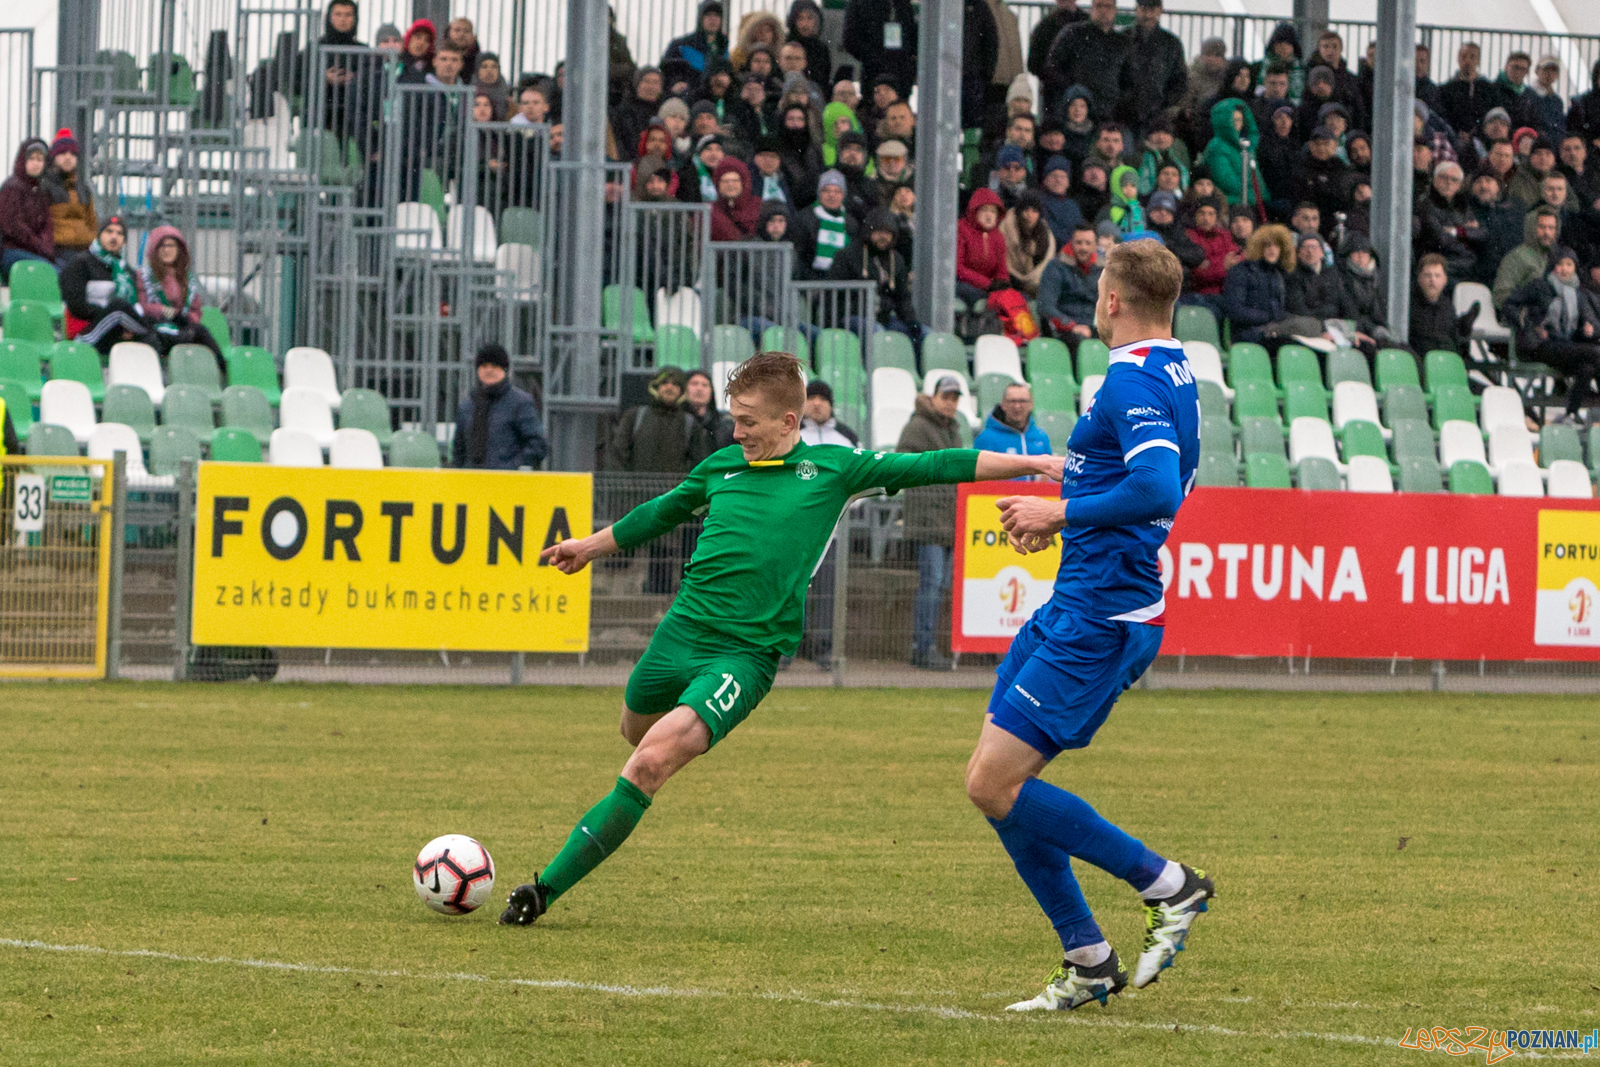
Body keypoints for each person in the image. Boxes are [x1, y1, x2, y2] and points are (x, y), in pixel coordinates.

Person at [500, 353, 1062, 926]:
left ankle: (541, 890)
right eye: (734, 419)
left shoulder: (836, 469)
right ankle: (642, 771)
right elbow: (662, 512)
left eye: (748, 421)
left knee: (649, 764)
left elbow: (939, 463)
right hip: (680, 633)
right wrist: (588, 547)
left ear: (788, 422)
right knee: (633, 733)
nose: (736, 431)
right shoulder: (721, 466)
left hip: (746, 655)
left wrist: (1035, 462)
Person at [970, 239, 1208, 1013]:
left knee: (993, 781)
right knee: (999, 782)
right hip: (1079, 597)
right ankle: (1088, 958)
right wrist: (1064, 506)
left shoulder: (1137, 374)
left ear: (1111, 299)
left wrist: (1059, 510)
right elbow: (1123, 472)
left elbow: (1157, 487)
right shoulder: (1173, 365)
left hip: (1103, 611)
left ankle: (1167, 883)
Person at [897, 375, 969, 670]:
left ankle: (926, 646)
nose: (951, 403)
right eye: (947, 397)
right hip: (929, 519)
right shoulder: (918, 427)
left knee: (937, 586)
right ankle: (922, 647)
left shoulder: (952, 430)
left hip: (948, 520)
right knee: (932, 585)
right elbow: (903, 464)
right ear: (934, 397)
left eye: (955, 398)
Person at [1503, 246, 1600, 423]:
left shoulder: (1578, 294)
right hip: (1540, 345)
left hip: (1565, 347)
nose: (1564, 269)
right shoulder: (1540, 286)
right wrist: (1526, 323)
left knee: (1588, 367)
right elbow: (1509, 304)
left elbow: (1586, 325)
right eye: (1560, 264)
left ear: (1575, 268)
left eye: (1569, 264)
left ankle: (1570, 414)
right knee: (1595, 354)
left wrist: (1588, 329)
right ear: (1553, 266)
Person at [59, 217, 158, 355]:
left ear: (124, 241)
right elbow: (76, 305)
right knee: (118, 307)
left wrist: (124, 327)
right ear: (99, 235)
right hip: (88, 330)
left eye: (119, 233)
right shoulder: (81, 263)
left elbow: (136, 306)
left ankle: (157, 336)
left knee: (150, 337)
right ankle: (156, 335)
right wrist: (112, 319)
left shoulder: (126, 270)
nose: (114, 237)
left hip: (120, 333)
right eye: (109, 231)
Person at [827, 208, 920, 339]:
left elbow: (902, 297)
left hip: (883, 318)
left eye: (888, 232)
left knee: (913, 334)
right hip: (852, 316)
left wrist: (911, 321)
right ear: (869, 232)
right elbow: (835, 295)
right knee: (877, 332)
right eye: (879, 231)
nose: (884, 236)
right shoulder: (848, 256)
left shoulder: (896, 260)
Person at [451, 345, 548, 469]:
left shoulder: (520, 403)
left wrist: (511, 468)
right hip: (471, 482)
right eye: (484, 366)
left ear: (504, 370)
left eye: (495, 366)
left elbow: (537, 445)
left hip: (508, 483)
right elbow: (458, 450)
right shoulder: (467, 406)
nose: (489, 370)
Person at [134, 226, 222, 360]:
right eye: (162, 246)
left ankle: (223, 372)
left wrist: (185, 317)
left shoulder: (189, 280)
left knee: (201, 332)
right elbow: (142, 305)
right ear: (154, 249)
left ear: (179, 250)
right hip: (156, 328)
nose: (167, 250)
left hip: (182, 329)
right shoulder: (144, 276)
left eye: (171, 246)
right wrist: (163, 310)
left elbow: (196, 312)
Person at [606, 367, 710, 473]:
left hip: (676, 489)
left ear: (682, 390)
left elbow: (698, 465)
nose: (669, 387)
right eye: (664, 383)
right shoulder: (634, 417)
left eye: (675, 384)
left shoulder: (690, 424)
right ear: (656, 387)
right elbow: (618, 456)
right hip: (637, 487)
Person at [1046, 0, 1126, 123]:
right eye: (1099, 6)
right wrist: (1074, 90)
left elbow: (1127, 77)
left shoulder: (1121, 42)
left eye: (1108, 6)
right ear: (1091, 9)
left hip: (1109, 112)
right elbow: (1052, 67)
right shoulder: (1072, 34)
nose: (1103, 10)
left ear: (1115, 10)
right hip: (1076, 110)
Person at [1118, 0, 1186, 133]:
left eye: (1152, 9)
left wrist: (1164, 104)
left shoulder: (1171, 43)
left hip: (1158, 116)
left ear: (1160, 10)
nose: (1148, 15)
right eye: (1144, 9)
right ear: (1136, 9)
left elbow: (1180, 80)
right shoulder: (1122, 39)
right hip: (1125, 115)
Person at [1222, 224, 1295, 343]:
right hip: (1247, 333)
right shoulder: (1241, 271)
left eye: (1277, 245)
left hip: (1274, 331)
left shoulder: (1278, 275)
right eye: (1267, 245)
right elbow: (1235, 310)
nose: (1272, 250)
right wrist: (1268, 317)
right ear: (1258, 247)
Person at [1038, 222, 1103, 344]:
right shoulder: (1056, 267)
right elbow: (1045, 306)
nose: (1083, 248)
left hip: (1093, 328)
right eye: (1079, 243)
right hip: (1063, 331)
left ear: (1095, 246)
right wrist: (1071, 326)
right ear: (1071, 243)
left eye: (1088, 243)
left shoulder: (1102, 269)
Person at [0, 138, 54, 280]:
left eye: (40, 160)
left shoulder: (40, 191)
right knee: (52, 273)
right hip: (12, 250)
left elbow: (46, 224)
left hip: (34, 251)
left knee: (67, 272)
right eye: (31, 159)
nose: (36, 163)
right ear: (23, 160)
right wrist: (38, 244)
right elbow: (12, 226)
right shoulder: (12, 187)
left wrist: (45, 245)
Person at [842, 0, 919, 101]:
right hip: (873, 74)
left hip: (901, 75)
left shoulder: (903, 4)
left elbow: (911, 36)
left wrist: (910, 62)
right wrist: (872, 58)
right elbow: (850, 39)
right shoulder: (860, 3)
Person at [1198, 100, 1265, 208]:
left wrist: (1262, 196)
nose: (1236, 123)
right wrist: (1253, 196)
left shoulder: (1246, 145)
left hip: (1249, 200)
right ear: (1224, 122)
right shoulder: (1217, 146)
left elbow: (1255, 177)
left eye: (1239, 120)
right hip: (1229, 203)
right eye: (1232, 120)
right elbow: (1227, 181)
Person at [41, 130, 96, 263]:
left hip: (84, 251)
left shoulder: (84, 190)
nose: (68, 157)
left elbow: (92, 224)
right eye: (62, 153)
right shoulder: (45, 188)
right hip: (57, 252)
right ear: (54, 157)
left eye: (72, 154)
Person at [1408, 254, 1474, 364]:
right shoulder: (1410, 306)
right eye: (1428, 275)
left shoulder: (1447, 307)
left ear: (1445, 280)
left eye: (1437, 275)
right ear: (1419, 278)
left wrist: (1465, 325)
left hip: (1446, 365)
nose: (1432, 280)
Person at [1493, 205, 1560, 309]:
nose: (1547, 233)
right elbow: (1500, 296)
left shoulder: (1557, 258)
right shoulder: (1517, 257)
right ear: (1531, 228)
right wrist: (1527, 294)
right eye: (1541, 227)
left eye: (1551, 228)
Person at [794, 170, 857, 278]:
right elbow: (800, 256)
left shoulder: (851, 223)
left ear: (843, 195)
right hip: (810, 282)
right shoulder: (805, 218)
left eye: (837, 191)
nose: (831, 195)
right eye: (826, 190)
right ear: (819, 193)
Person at [957, 188, 1013, 309]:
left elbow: (1001, 270)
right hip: (963, 284)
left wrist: (1002, 284)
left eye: (993, 211)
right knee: (978, 297)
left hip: (988, 286)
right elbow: (959, 268)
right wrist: (988, 284)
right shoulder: (961, 229)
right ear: (974, 211)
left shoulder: (998, 236)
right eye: (984, 210)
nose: (989, 215)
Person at [661, 0, 729, 91]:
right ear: (700, 18)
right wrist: (674, 85)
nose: (713, 19)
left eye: (717, 15)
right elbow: (666, 72)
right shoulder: (681, 46)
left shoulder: (723, 49)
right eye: (708, 15)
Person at [975, 381, 1052, 457]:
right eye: (1012, 401)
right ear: (1003, 405)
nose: (1017, 406)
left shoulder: (1041, 436)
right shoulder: (986, 439)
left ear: (1031, 405)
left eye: (1022, 401)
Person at [785, 1, 832, 91]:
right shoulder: (786, 46)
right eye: (800, 18)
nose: (805, 24)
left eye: (810, 18)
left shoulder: (821, 49)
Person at [685, 369, 735, 451]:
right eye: (694, 384)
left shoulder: (724, 424)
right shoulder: (679, 421)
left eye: (705, 385)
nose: (699, 388)